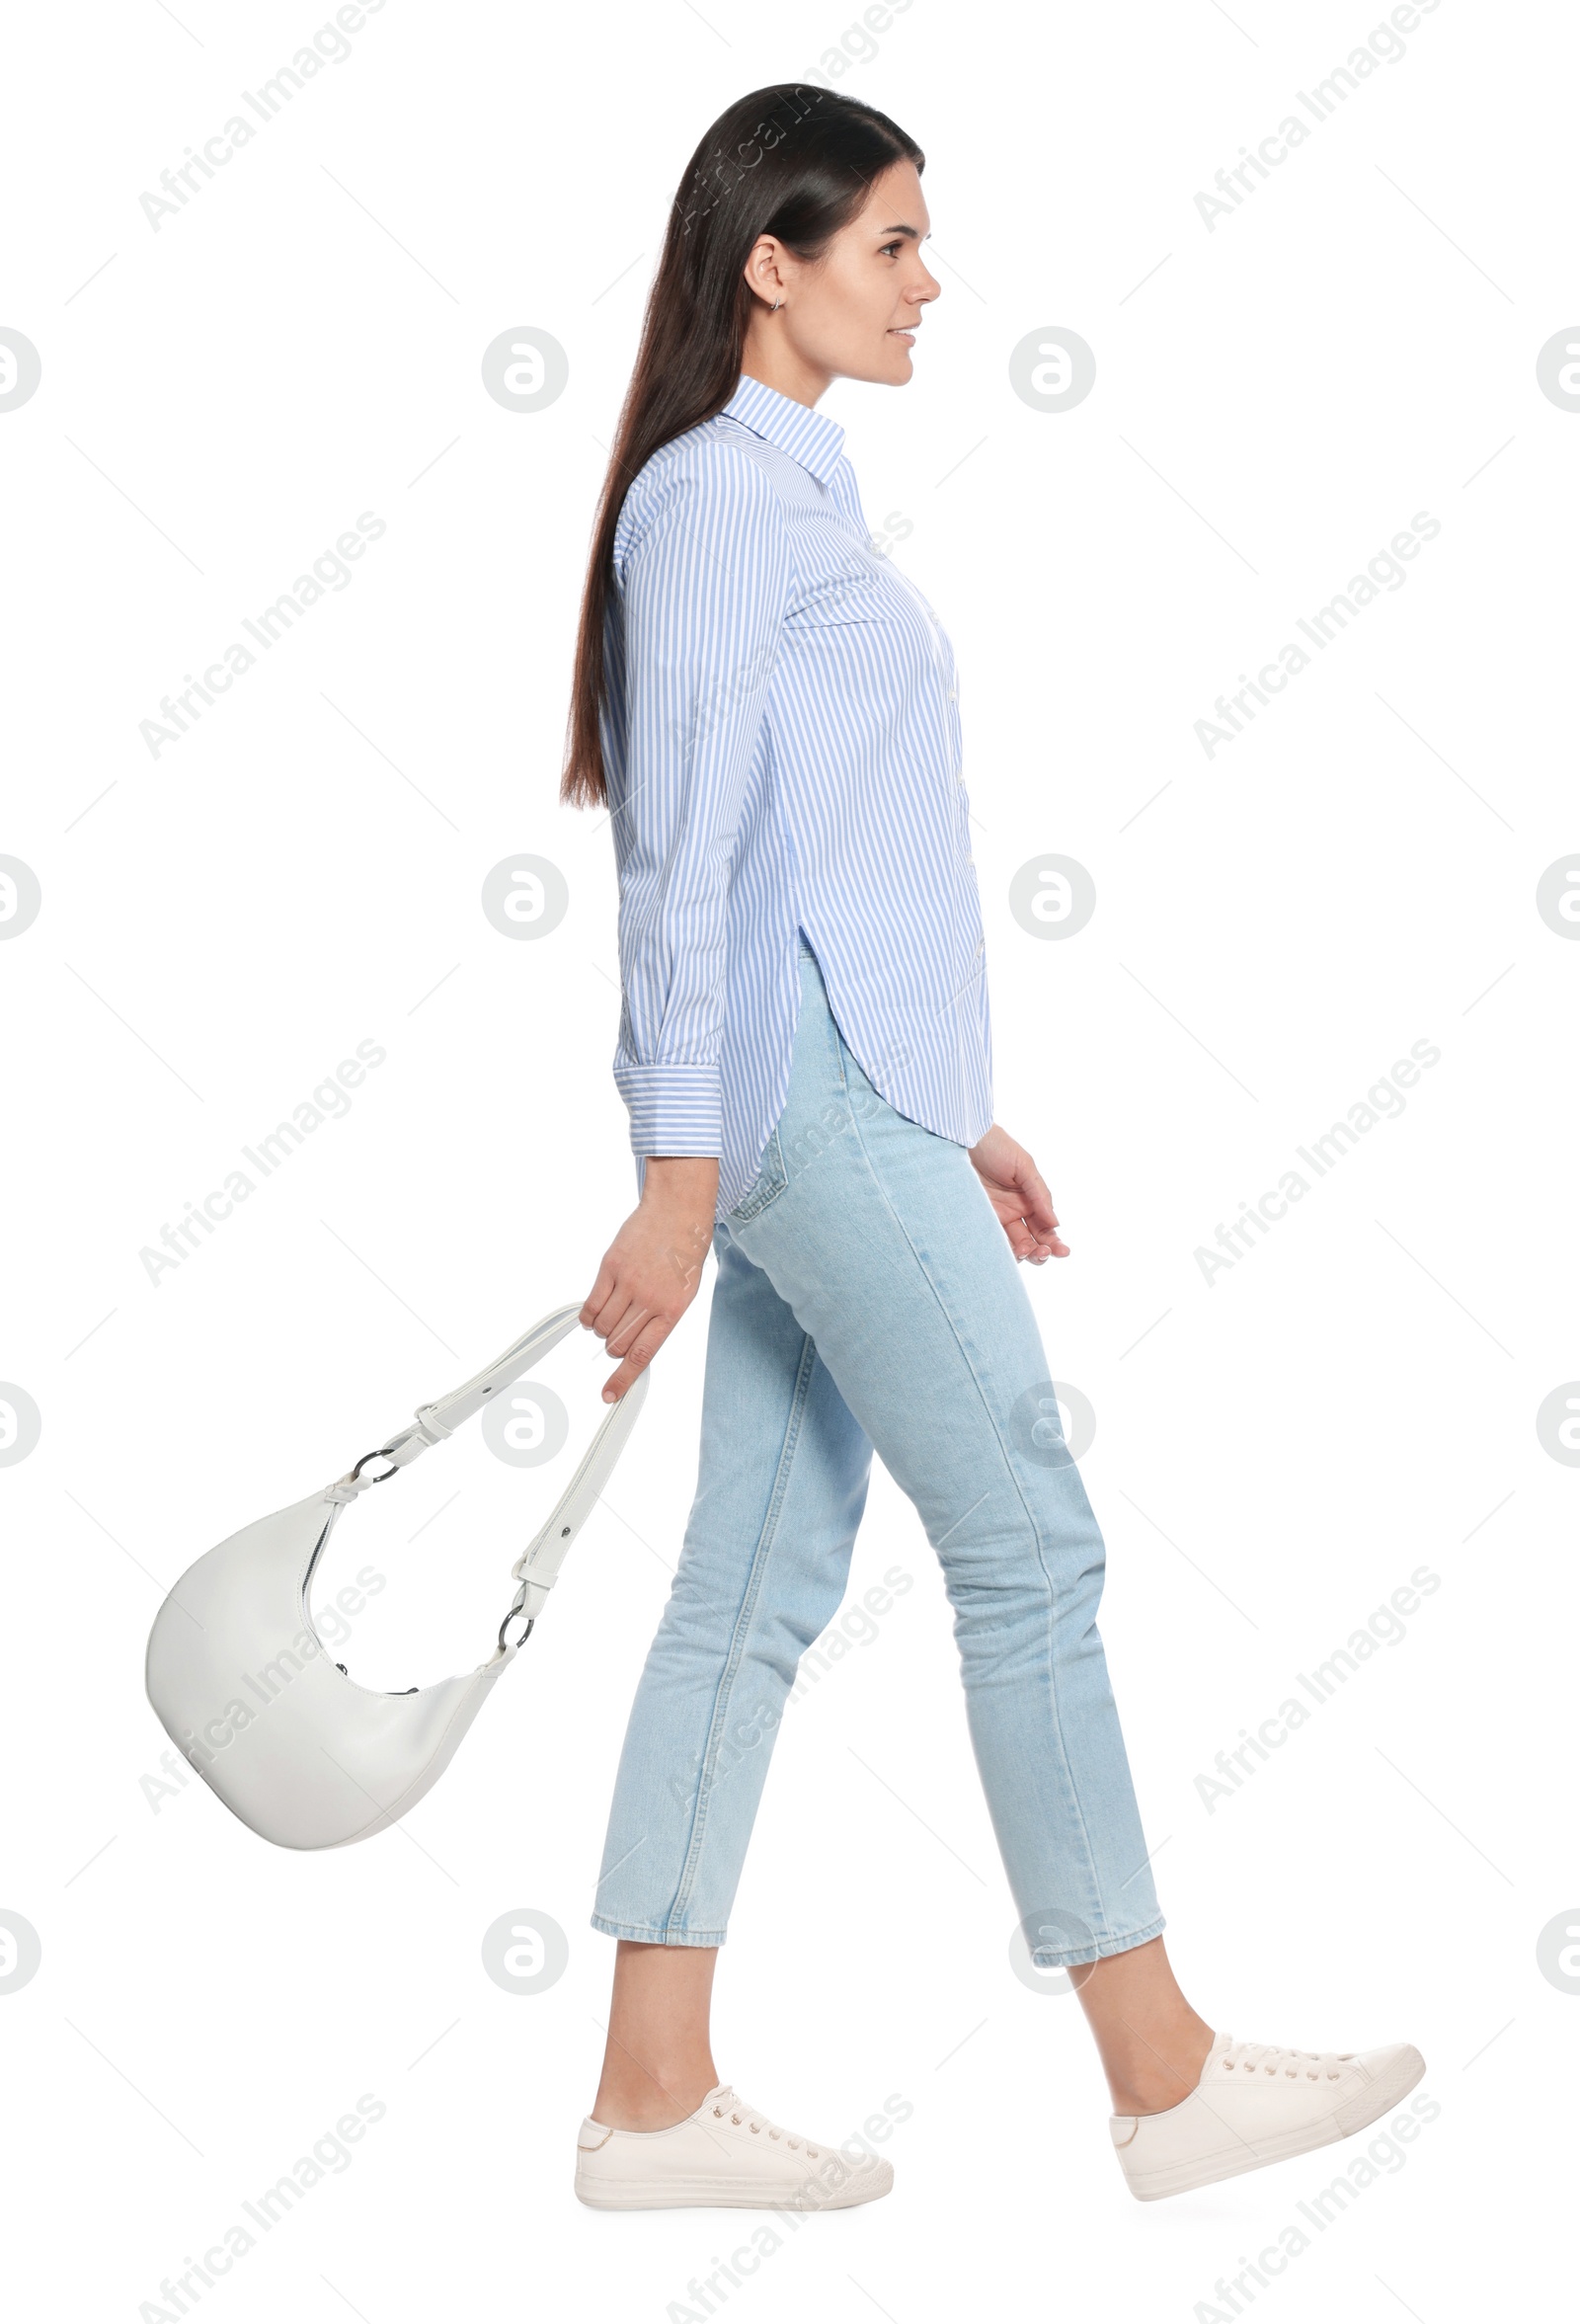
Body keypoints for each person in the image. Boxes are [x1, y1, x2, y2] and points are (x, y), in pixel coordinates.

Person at [561, 83, 1422, 2211]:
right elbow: (679, 874)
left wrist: (952, 1114)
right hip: (788, 1112)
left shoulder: (791, 493)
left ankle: (650, 2096)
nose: (928, 281)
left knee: (749, 1580)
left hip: (845, 1099)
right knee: (1027, 1544)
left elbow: (820, 857)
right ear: (770, 265)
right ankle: (1159, 2071)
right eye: (889, 246)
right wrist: (681, 1179)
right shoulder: (709, 509)